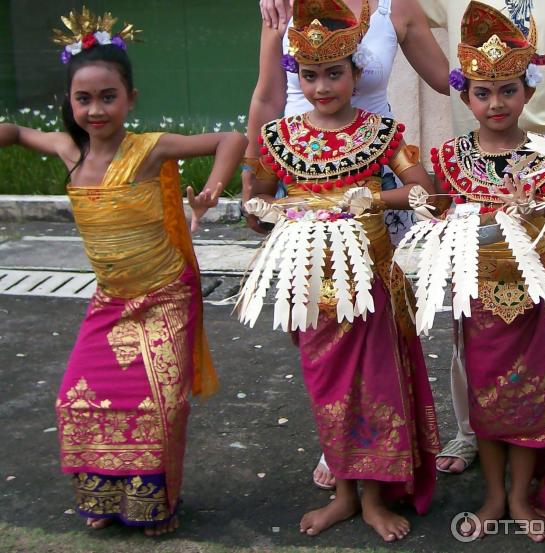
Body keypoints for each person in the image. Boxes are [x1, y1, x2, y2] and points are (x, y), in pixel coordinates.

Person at [0, 8, 247, 536]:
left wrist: (209, 191)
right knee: (75, 397)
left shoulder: (149, 150)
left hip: (165, 298)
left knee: (158, 406)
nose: (94, 109)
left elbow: (231, 139)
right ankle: (103, 494)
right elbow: (17, 132)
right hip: (110, 301)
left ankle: (153, 505)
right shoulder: (69, 150)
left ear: (130, 98)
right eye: (82, 98)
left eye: (107, 96)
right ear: (69, 101)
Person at [243, 0, 440, 541]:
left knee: (377, 384)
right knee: (327, 387)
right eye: (310, 75)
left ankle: (375, 498)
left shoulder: (380, 133)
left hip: (371, 277)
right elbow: (258, 201)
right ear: (297, 76)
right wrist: (258, 210)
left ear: (357, 73)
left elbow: (425, 190)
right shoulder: (281, 139)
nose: (323, 85)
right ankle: (345, 493)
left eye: (335, 73)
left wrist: (372, 198)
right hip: (310, 285)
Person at [428, 1, 545, 540]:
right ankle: (495, 496)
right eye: (483, 92)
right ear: (466, 96)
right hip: (478, 299)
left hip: (537, 297)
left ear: (528, 92)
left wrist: (543, 207)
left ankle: (523, 499)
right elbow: (435, 208)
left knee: (531, 398)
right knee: (486, 396)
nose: (496, 103)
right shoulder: (449, 158)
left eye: (508, 90)